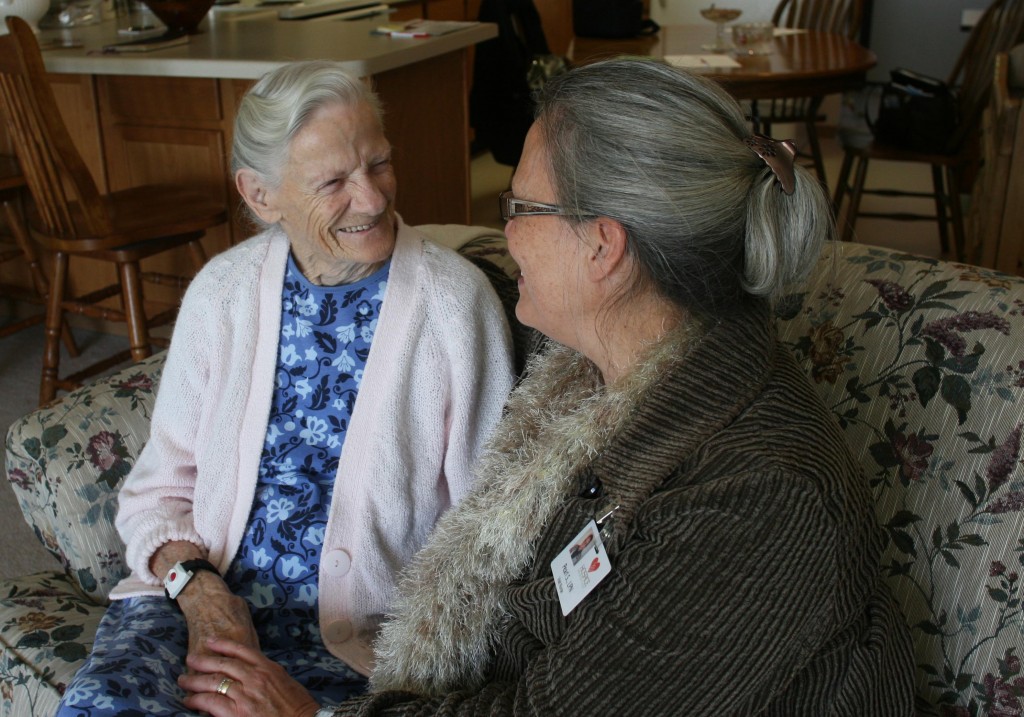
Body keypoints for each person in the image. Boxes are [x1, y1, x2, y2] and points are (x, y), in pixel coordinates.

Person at [177, 57, 916, 716]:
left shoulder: (758, 496)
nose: (503, 233)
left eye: (519, 207)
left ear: (604, 246)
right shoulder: (599, 376)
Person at [55, 60, 515, 715]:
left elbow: (491, 527)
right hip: (199, 613)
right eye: (334, 181)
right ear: (261, 194)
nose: (374, 197)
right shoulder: (222, 292)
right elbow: (159, 490)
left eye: (379, 163)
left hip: (367, 647)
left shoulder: (453, 305)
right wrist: (199, 591)